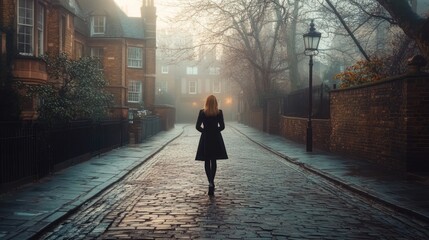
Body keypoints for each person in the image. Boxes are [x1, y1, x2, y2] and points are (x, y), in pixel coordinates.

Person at [195, 95, 228, 196]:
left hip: (206, 139)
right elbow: (222, 126)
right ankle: (212, 182)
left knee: (206, 160)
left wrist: (205, 131)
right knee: (213, 161)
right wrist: (215, 131)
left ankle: (210, 182)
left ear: (207, 102)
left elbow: (197, 126)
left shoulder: (202, 112)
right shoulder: (219, 112)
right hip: (216, 138)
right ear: (216, 102)